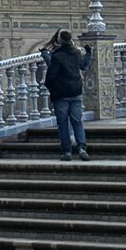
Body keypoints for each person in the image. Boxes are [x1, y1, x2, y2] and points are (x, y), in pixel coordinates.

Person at [39, 30, 92, 160]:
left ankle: (67, 152)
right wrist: (89, 53)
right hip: (76, 92)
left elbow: (51, 74)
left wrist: (52, 89)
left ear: (60, 41)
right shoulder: (76, 53)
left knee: (62, 124)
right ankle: (81, 148)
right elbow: (84, 66)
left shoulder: (57, 56)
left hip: (61, 94)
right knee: (77, 122)